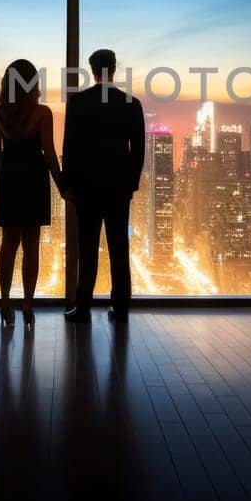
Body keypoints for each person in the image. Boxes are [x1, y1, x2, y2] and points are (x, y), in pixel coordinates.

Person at [62, 48, 145, 323]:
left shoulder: (78, 102)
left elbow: (69, 147)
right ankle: (121, 307)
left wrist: (68, 184)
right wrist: (131, 183)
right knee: (119, 248)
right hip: (118, 186)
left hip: (86, 185)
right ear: (115, 68)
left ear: (92, 69)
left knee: (87, 248)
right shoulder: (131, 103)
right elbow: (138, 149)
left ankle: (83, 307)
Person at [0, 59, 66, 331]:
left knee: (8, 243)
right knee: (31, 244)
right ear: (33, 84)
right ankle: (28, 304)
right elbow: (48, 153)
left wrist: (0, 189)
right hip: (34, 179)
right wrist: (61, 185)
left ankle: (5, 301)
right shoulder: (43, 113)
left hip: (9, 179)